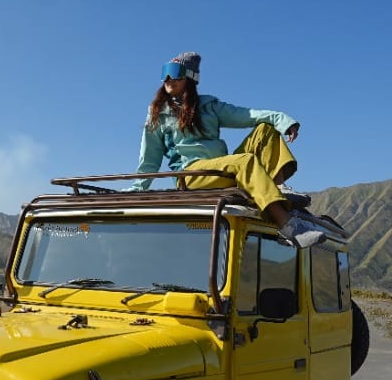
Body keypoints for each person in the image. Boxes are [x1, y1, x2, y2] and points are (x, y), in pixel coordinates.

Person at [130, 52, 325, 247]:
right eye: (165, 73)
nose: (168, 79)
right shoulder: (159, 114)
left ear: (189, 77)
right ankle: (287, 226)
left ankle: (276, 187)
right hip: (191, 175)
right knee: (245, 161)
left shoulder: (208, 105)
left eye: (174, 72)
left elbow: (248, 115)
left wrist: (283, 121)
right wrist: (138, 188)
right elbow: (149, 157)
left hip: (221, 169)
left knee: (266, 129)